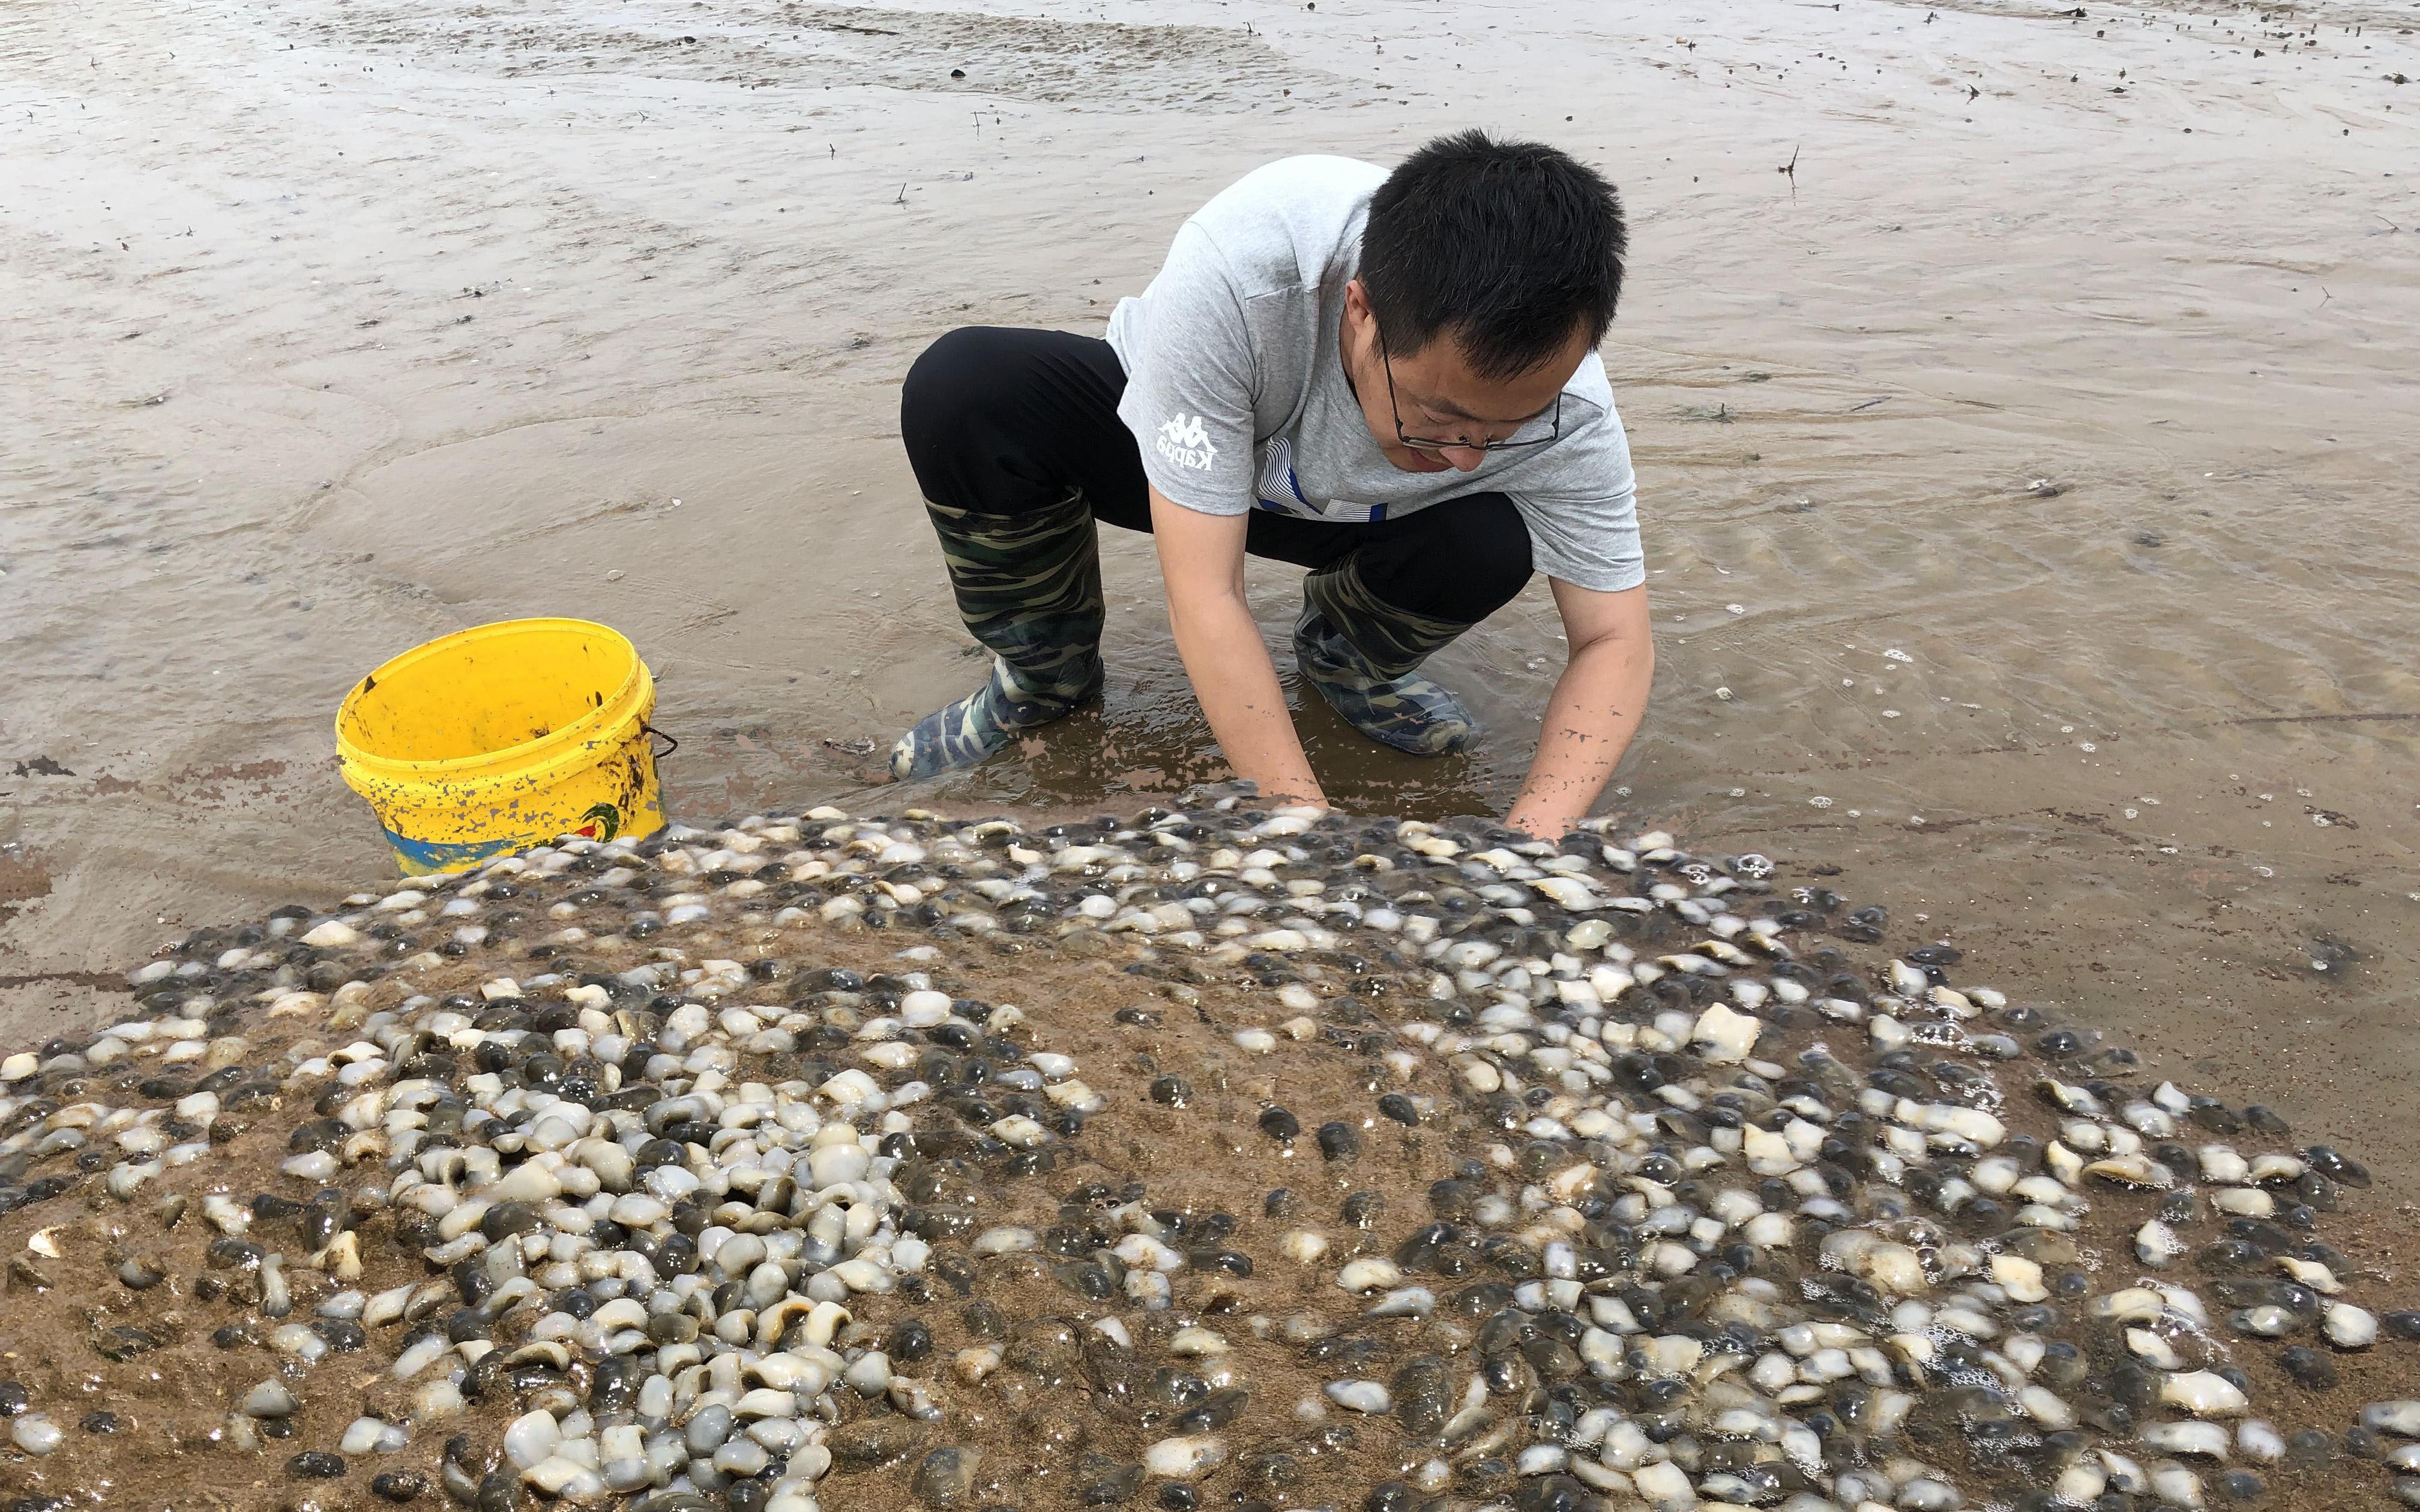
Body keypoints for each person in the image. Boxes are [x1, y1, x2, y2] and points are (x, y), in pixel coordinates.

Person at [890, 129, 1651, 841]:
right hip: (1190, 453)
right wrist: (1301, 827)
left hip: (1368, 511)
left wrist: (1536, 843)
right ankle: (1042, 679)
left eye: (1509, 426)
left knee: (1495, 534)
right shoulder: (1245, 270)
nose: (1469, 457)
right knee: (967, 389)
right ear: (1361, 312)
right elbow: (1206, 593)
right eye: (1440, 414)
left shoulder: (1571, 411)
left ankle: (1347, 658)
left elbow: (1614, 638)